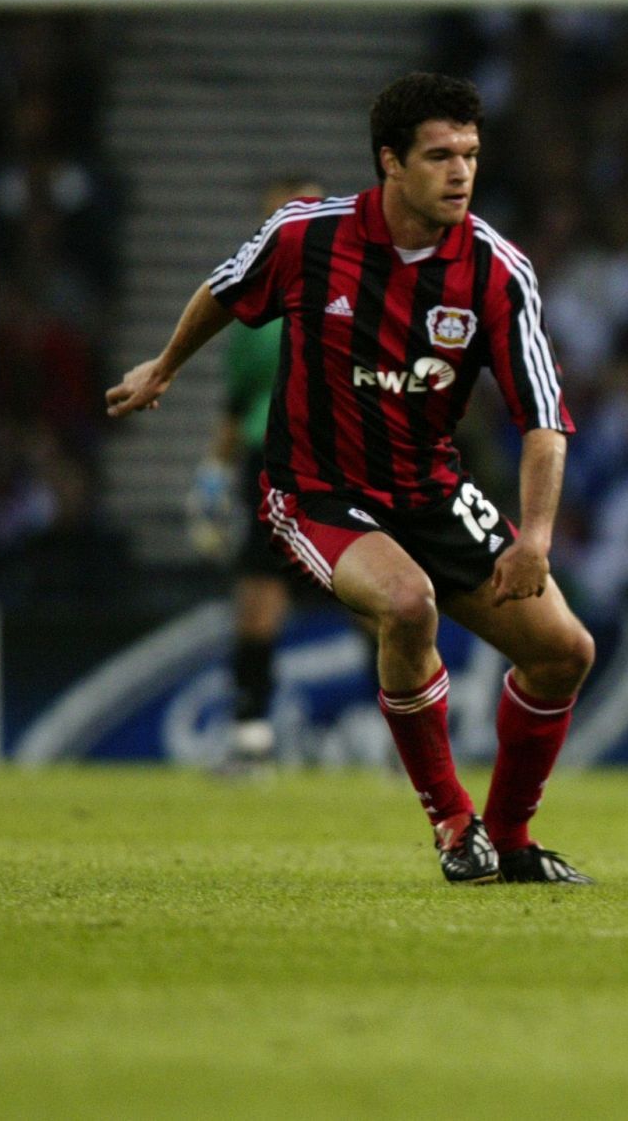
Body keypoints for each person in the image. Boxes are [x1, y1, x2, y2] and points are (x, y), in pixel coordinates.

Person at [108, 73, 595, 885]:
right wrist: (163, 367)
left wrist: (536, 537)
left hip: (430, 489)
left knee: (564, 652)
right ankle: (451, 824)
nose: (460, 173)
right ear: (390, 164)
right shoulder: (305, 236)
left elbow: (543, 418)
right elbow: (225, 293)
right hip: (315, 488)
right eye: (439, 156)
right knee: (408, 604)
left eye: (470, 155)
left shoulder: (497, 271)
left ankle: (508, 841)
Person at [188, 174, 326, 771]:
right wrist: (211, 480)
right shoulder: (252, 315)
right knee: (259, 599)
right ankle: (250, 732)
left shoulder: (365, 296)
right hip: (269, 463)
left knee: (382, 600)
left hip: (345, 460)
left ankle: (410, 739)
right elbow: (236, 407)